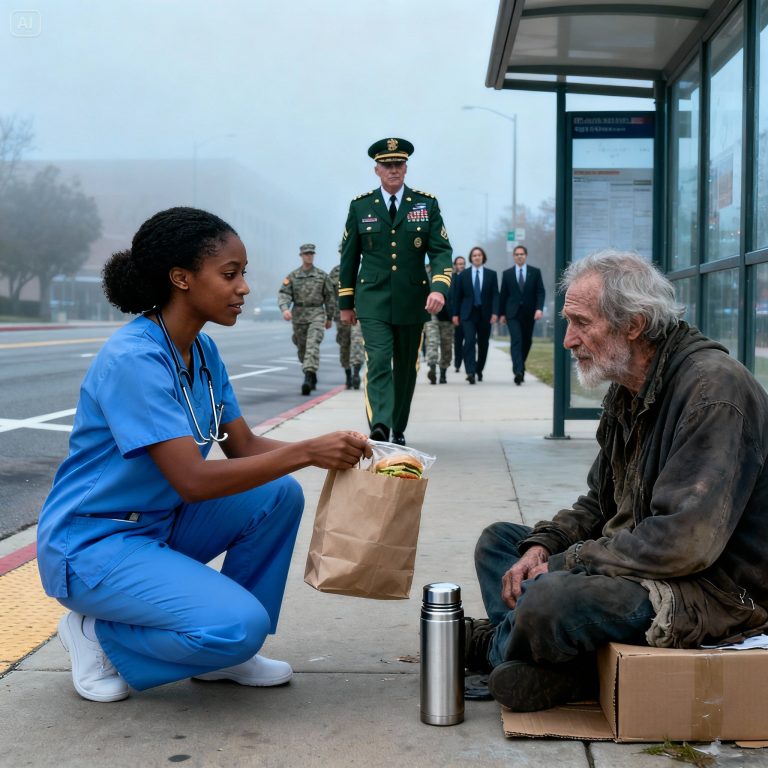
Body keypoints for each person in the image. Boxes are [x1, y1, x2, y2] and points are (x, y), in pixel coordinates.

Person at [36, 207, 371, 703]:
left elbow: (246, 448)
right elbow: (192, 480)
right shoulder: (134, 359)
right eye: (230, 274)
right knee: (239, 625)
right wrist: (305, 450)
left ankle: (225, 656)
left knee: (277, 494)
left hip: (155, 525)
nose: (243, 288)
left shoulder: (203, 351)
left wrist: (337, 455)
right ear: (182, 279)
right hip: (93, 544)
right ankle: (97, 636)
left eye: (244, 274)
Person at [467, 249, 768, 713]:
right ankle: (554, 662)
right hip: (637, 557)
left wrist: (569, 564)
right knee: (500, 544)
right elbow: (598, 504)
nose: (569, 340)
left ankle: (492, 647)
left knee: (549, 596)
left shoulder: (713, 392)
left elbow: (683, 545)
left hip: (709, 588)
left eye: (581, 323)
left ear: (633, 324)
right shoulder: (629, 387)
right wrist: (544, 546)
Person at [338, 137, 453, 445]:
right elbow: (349, 257)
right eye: (387, 165)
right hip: (372, 299)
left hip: (412, 299)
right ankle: (379, 423)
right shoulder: (360, 206)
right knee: (378, 359)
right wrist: (345, 303)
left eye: (398, 165)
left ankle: (397, 427)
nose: (393, 170)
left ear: (406, 167)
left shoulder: (425, 204)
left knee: (405, 367)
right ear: (377, 169)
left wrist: (439, 287)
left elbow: (441, 251)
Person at [278, 243, 334, 395]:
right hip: (298, 315)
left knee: (312, 345)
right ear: (301, 256)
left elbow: (330, 297)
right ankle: (311, 372)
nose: (309, 256)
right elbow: (284, 294)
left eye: (311, 253)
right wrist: (285, 309)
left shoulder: (322, 276)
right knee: (302, 348)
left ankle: (308, 378)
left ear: (313, 255)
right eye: (306, 253)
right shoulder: (293, 276)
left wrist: (329, 318)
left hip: (316, 313)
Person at [499, 245, 545, 385]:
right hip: (512, 313)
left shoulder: (535, 272)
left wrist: (539, 309)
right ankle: (518, 371)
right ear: (514, 256)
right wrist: (501, 314)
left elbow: (540, 292)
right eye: (517, 254)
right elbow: (503, 295)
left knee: (527, 341)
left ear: (526, 255)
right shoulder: (507, 274)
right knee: (516, 340)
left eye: (522, 254)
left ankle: (520, 366)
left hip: (529, 313)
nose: (519, 256)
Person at [452, 246, 499, 384]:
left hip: (485, 314)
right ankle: (470, 371)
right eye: (474, 255)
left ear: (483, 257)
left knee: (484, 344)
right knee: (470, 341)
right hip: (468, 314)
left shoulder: (491, 274)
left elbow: (495, 294)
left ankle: (479, 369)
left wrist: (495, 312)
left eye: (479, 255)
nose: (477, 257)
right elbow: (457, 296)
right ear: (471, 258)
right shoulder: (463, 275)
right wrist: (455, 314)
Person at [329, 262, 365, 389]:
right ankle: (348, 374)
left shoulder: (363, 268)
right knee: (344, 344)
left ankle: (356, 373)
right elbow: (330, 295)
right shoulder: (335, 272)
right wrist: (330, 313)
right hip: (342, 312)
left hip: (359, 311)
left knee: (356, 341)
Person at [451, 255, 466, 373]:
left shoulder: (468, 276)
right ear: (455, 265)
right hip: (455, 314)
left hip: (467, 313)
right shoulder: (452, 278)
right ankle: (457, 362)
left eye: (463, 264)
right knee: (458, 340)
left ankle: (467, 361)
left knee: (469, 340)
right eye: (459, 264)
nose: (461, 266)